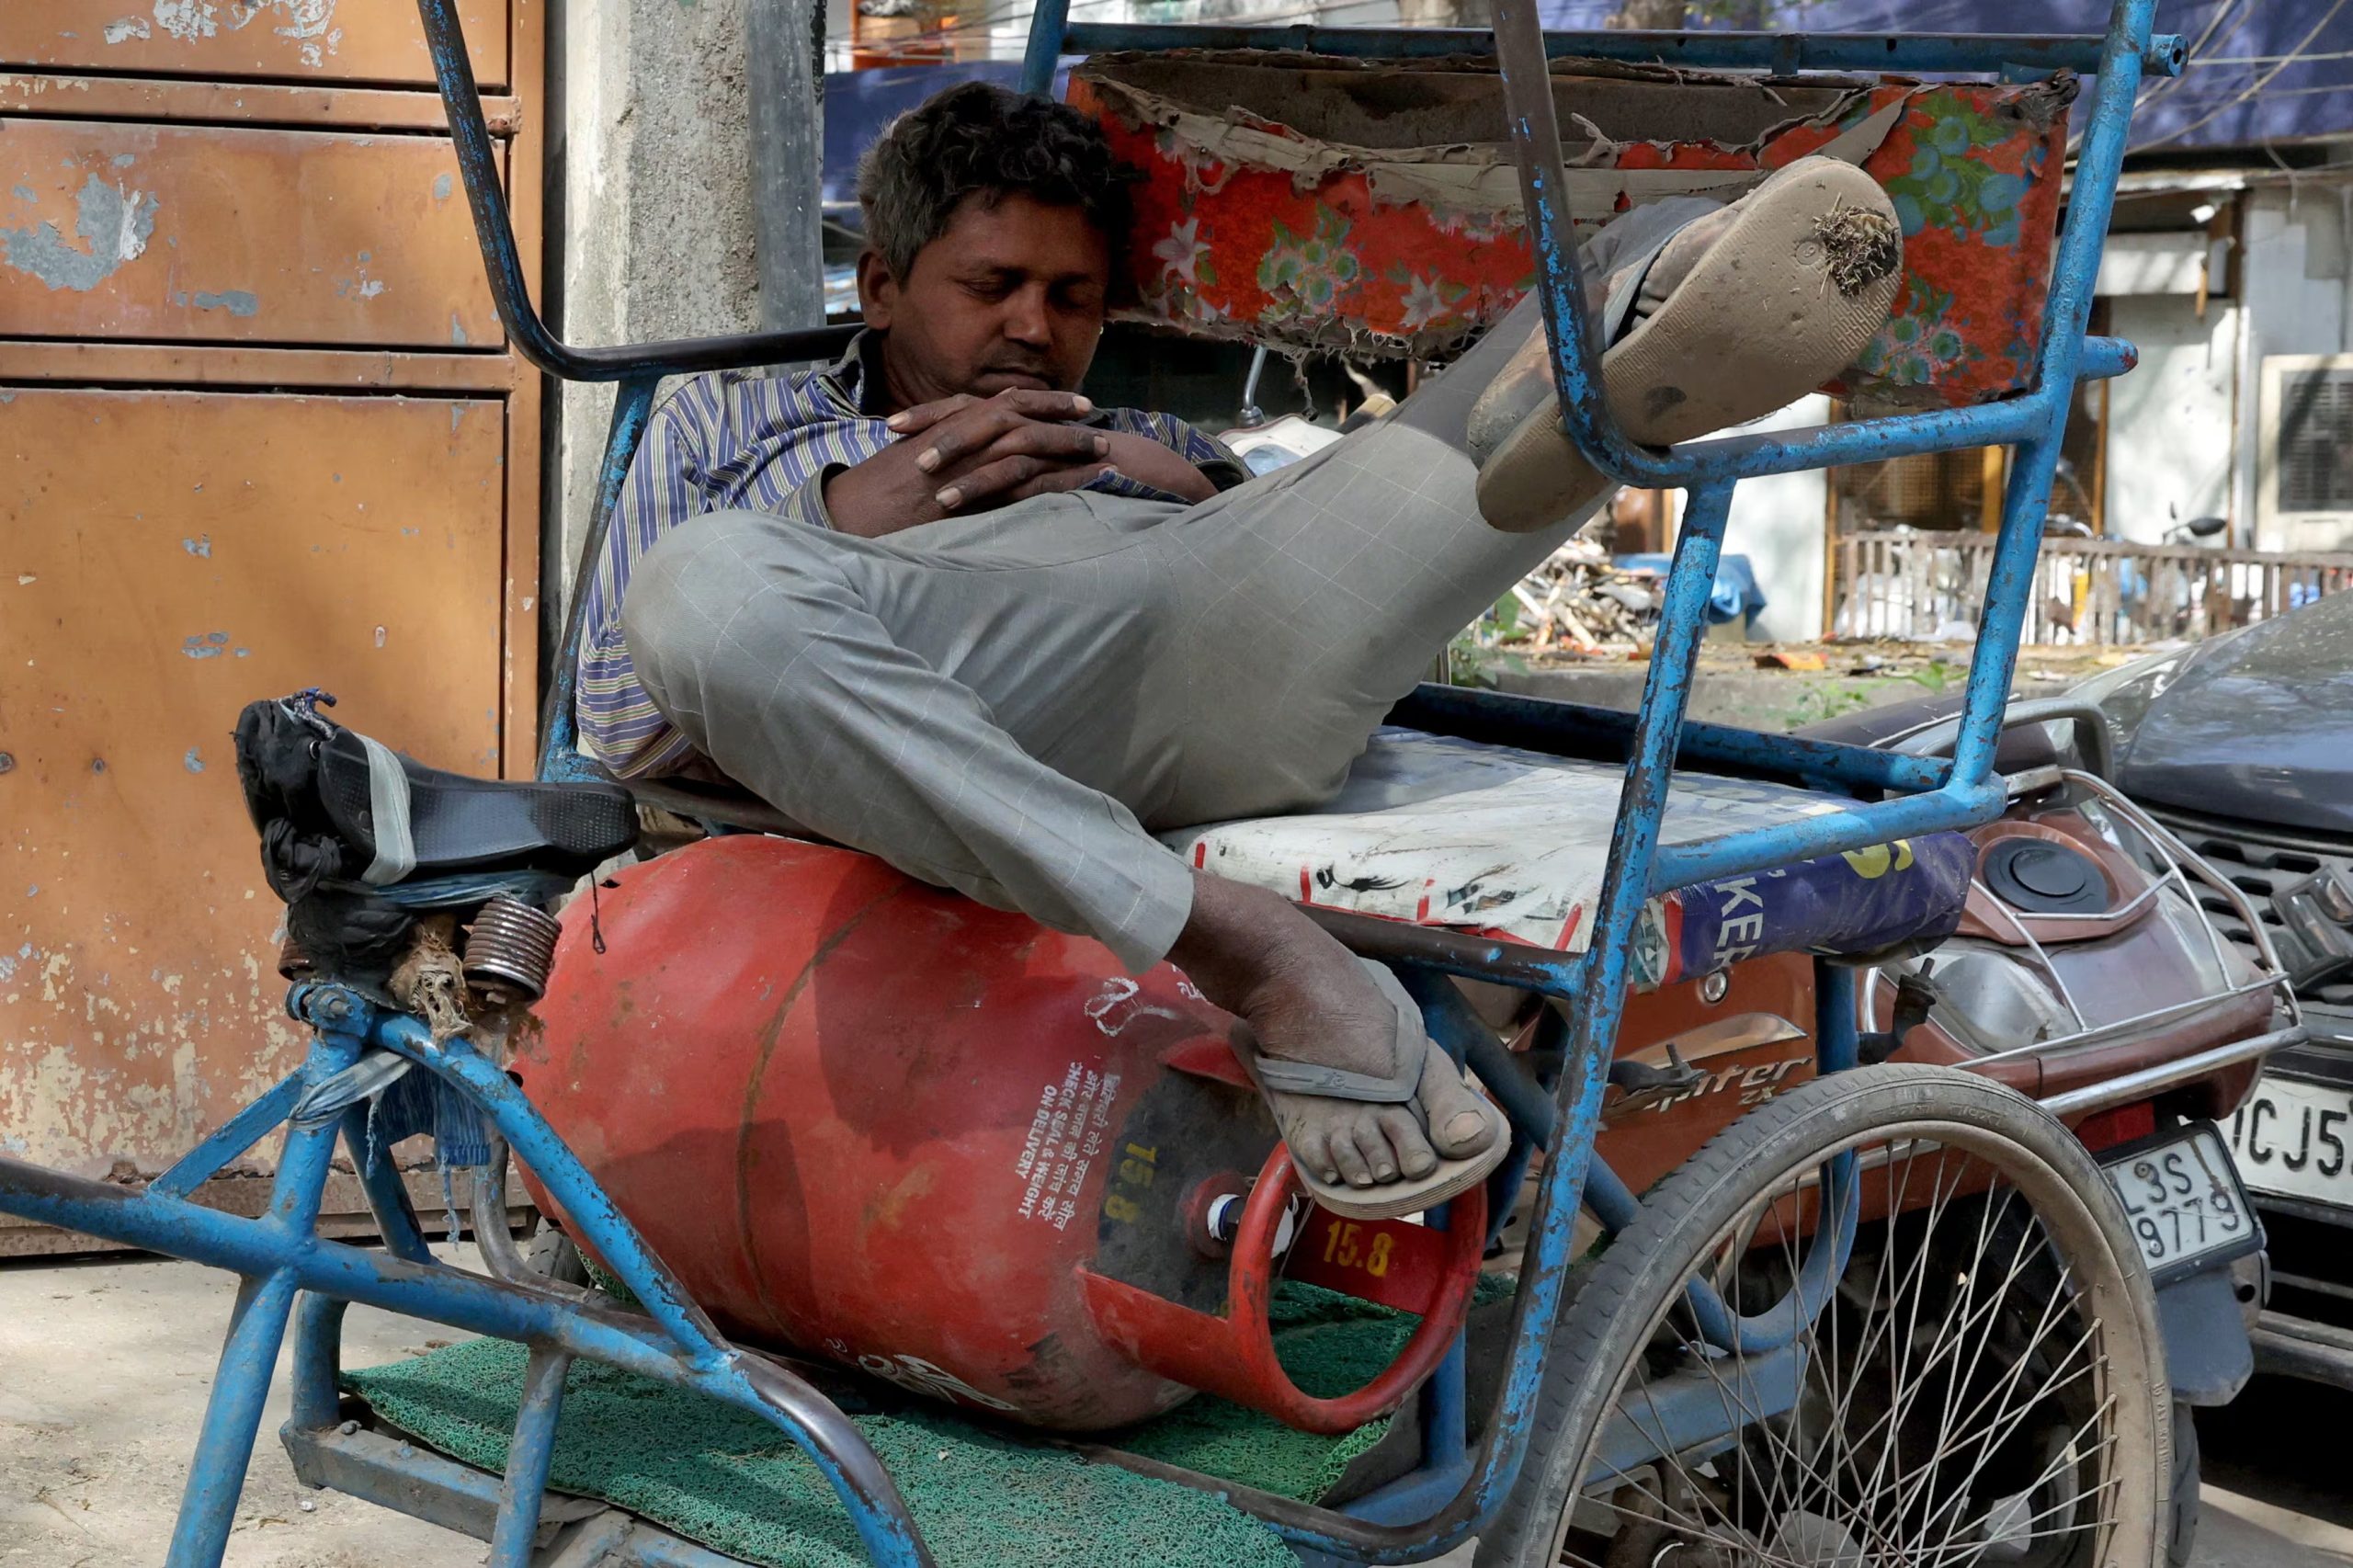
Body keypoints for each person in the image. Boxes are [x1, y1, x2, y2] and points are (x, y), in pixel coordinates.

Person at [577, 82, 1903, 1218]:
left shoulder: (1138, 422)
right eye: (992, 288)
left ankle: (1646, 332)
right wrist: (839, 514)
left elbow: (1242, 539)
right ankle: (1245, 946)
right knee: (702, 585)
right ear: (878, 286)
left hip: (1227, 629)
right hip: (938, 675)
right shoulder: (729, 421)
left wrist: (1167, 481)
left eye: (1072, 297)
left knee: (1640, 264)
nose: (1034, 328)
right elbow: (612, 712)